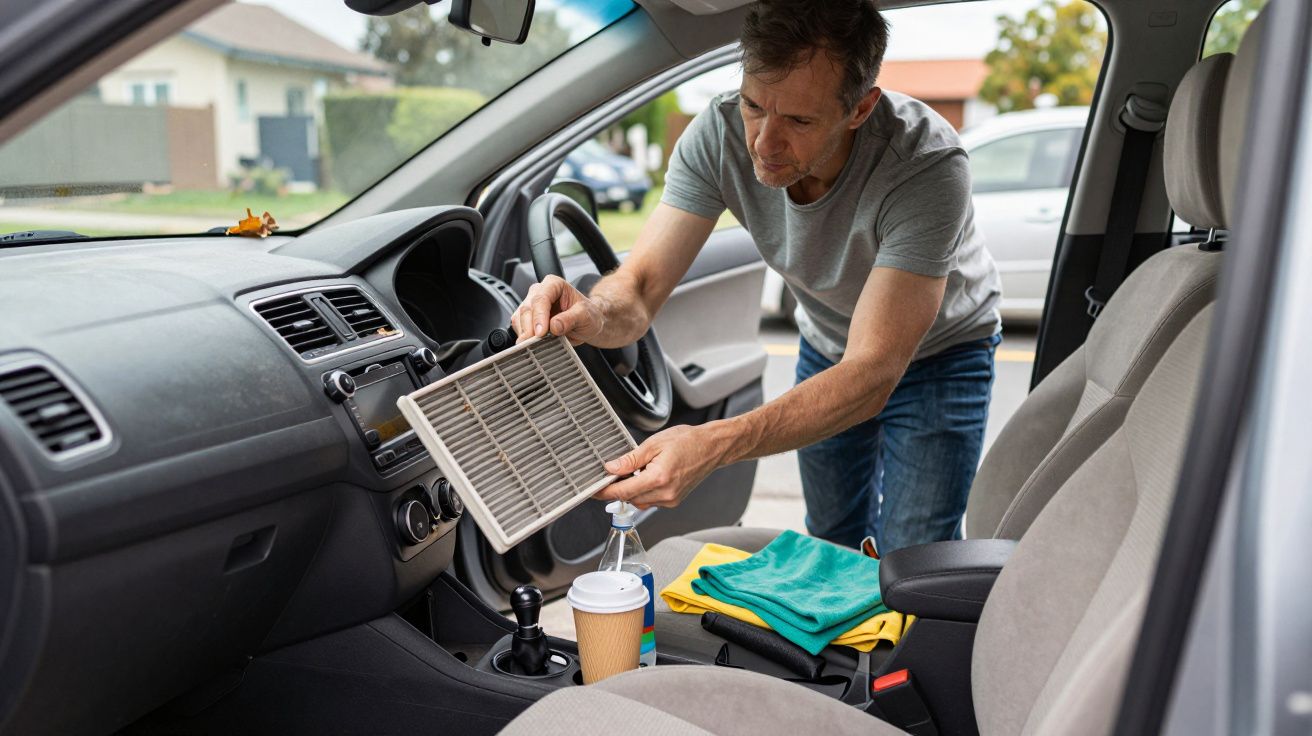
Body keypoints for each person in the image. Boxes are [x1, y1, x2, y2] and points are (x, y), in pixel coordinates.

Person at [512, 0, 1001, 556]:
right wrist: (592, 312)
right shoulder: (718, 135)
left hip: (943, 355)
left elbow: (872, 372)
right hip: (828, 344)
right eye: (753, 105)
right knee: (832, 538)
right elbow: (641, 287)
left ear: (860, 109)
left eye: (799, 120)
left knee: (913, 559)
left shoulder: (925, 165)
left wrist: (714, 444)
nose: (764, 144)